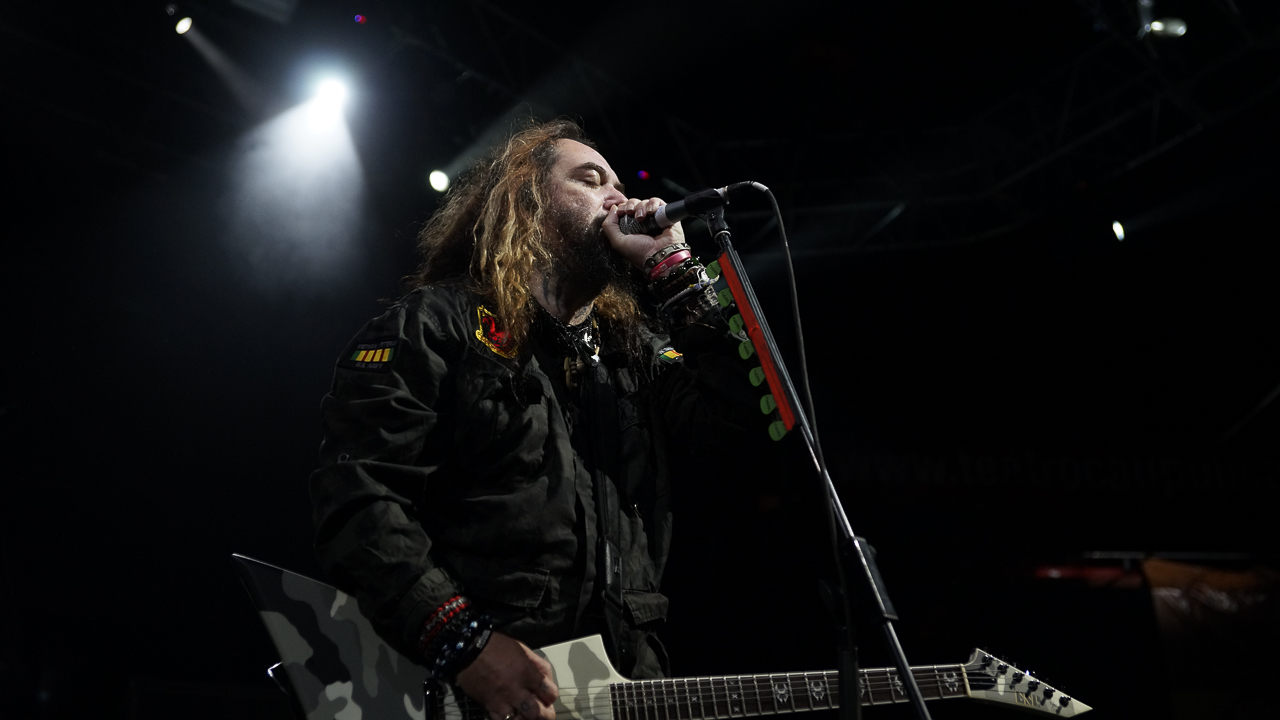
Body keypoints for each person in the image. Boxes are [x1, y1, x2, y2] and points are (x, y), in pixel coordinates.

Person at [309, 119, 763, 720]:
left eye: (619, 184)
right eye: (591, 180)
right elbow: (359, 497)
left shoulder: (636, 355)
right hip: (475, 682)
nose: (620, 199)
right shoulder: (437, 326)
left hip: (620, 684)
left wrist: (677, 274)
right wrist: (464, 644)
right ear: (527, 202)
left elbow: (745, 431)